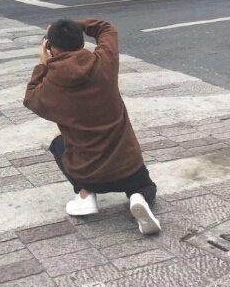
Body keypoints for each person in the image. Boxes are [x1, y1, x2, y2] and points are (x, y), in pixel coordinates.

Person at [24, 18, 161, 236]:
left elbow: (30, 98)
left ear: (52, 48)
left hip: (87, 173)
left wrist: (42, 63)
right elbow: (107, 28)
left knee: (58, 143)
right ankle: (138, 197)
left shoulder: (51, 85)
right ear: (81, 42)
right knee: (146, 186)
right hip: (127, 165)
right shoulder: (104, 61)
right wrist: (74, 25)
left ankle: (85, 195)